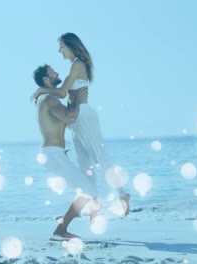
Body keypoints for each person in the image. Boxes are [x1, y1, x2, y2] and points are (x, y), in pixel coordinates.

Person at [31, 33, 130, 215]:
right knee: (84, 160)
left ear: (71, 46)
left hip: (83, 113)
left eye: (62, 47)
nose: (60, 51)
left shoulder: (78, 64)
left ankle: (122, 194)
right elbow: (66, 96)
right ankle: (93, 203)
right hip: (77, 116)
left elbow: (61, 93)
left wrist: (41, 89)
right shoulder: (74, 65)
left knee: (100, 154)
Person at [33, 64, 101, 240]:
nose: (57, 73)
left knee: (89, 187)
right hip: (51, 154)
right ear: (46, 80)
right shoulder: (48, 98)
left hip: (56, 154)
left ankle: (92, 209)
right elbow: (70, 117)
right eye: (52, 72)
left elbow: (70, 119)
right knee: (87, 190)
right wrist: (77, 98)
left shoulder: (49, 98)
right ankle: (60, 231)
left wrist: (74, 100)